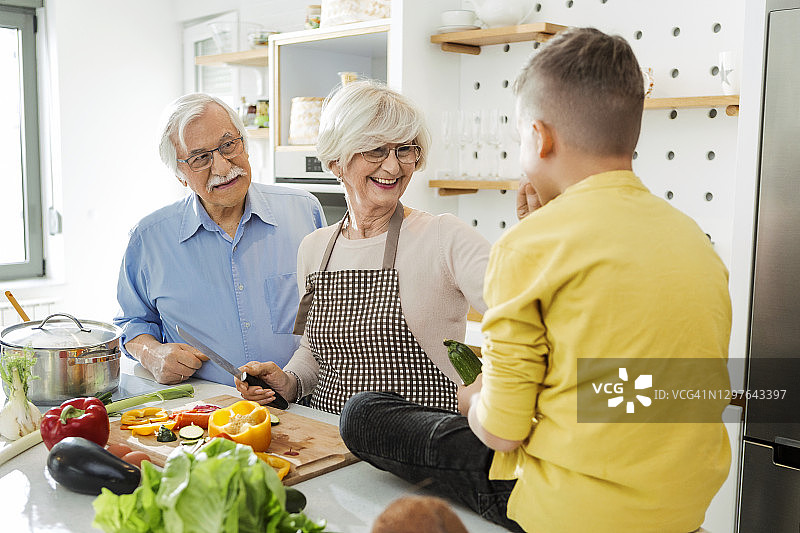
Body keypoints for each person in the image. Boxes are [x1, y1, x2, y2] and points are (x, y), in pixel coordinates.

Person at [338, 27, 732, 533]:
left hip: (568, 509)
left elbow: (502, 432)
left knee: (366, 414)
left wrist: (475, 399)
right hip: (679, 509)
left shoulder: (529, 248)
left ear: (539, 137)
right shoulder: (693, 240)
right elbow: (656, 384)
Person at [236, 80, 490, 414]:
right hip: (329, 439)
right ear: (336, 162)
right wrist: (289, 380)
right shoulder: (314, 249)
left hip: (418, 447)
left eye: (405, 149)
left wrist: (498, 391)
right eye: (375, 150)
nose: (393, 166)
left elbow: (529, 317)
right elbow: (314, 353)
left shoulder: (445, 237)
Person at [115, 93, 325, 385]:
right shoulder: (148, 239)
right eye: (200, 158)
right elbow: (132, 322)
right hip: (205, 415)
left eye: (228, 145)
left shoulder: (305, 211)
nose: (224, 168)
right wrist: (151, 352)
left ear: (245, 144)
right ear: (180, 175)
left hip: (302, 404)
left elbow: (330, 315)